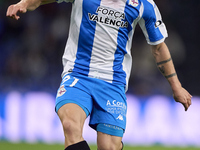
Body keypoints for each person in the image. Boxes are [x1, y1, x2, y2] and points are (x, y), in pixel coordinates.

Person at [6, 0, 192, 149]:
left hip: (113, 83)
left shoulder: (144, 5)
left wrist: (176, 87)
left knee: (108, 147)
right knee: (70, 126)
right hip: (78, 74)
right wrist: (23, 3)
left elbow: (158, 47)